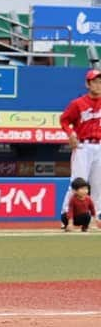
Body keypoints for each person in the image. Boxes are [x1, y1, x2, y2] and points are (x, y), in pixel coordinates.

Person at [58, 68, 101, 227]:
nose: (98, 85)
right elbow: (64, 120)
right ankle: (65, 215)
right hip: (83, 146)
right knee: (77, 182)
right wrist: (70, 134)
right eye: (95, 81)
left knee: (98, 183)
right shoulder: (78, 103)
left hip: (99, 146)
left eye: (100, 81)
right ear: (87, 84)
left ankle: (95, 218)